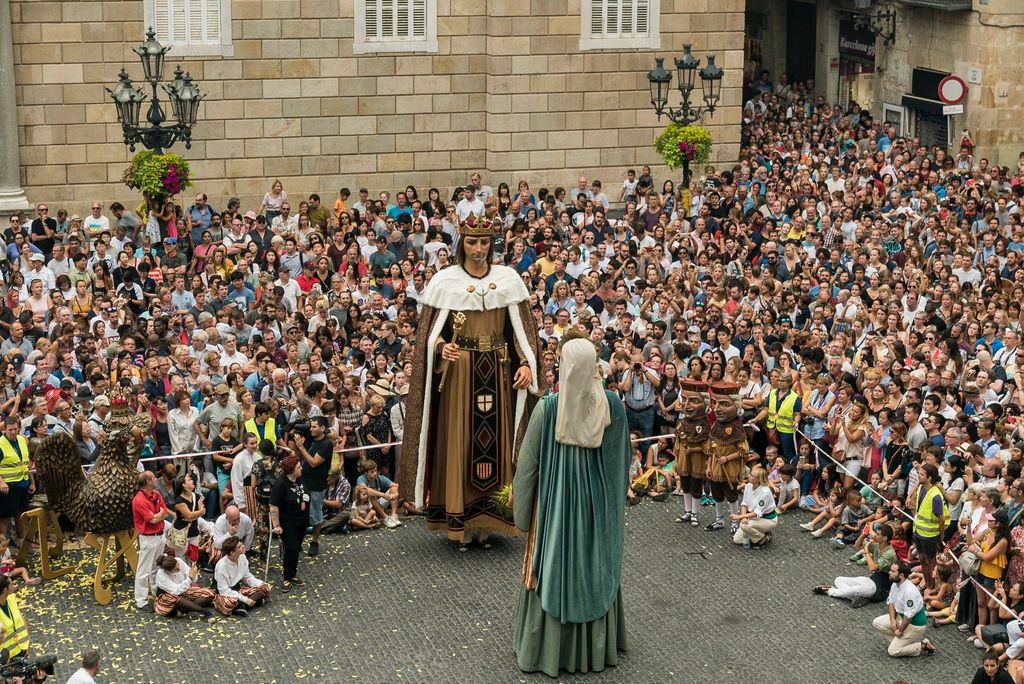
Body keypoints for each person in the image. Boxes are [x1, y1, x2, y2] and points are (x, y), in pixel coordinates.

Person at [400, 212, 541, 547]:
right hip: (460, 376)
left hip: (498, 372)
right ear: (462, 244)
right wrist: (441, 348)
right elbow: (428, 339)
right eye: (472, 242)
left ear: (492, 244)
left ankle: (490, 521)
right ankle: (459, 519)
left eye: (484, 242)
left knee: (497, 444)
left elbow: (521, 333)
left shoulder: (508, 280)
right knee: (459, 444)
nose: (478, 248)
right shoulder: (445, 282)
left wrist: (526, 364)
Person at [511, 333, 630, 677]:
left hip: (555, 513)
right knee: (595, 568)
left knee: (553, 570)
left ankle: (547, 651)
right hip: (599, 512)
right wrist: (612, 504)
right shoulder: (613, 406)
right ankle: (595, 650)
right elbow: (621, 463)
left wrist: (521, 517)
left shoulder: (548, 410)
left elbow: (527, 468)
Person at [813, 525, 898, 608]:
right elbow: (857, 545)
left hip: (879, 587)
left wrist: (866, 552)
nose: (875, 535)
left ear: (884, 538)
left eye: (878, 534)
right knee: (838, 580)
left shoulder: (889, 553)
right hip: (870, 579)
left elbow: (873, 567)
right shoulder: (877, 544)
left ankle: (829, 590)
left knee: (851, 590)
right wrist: (863, 533)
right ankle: (857, 596)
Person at [705, 382, 748, 533]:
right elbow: (710, 449)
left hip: (729, 469)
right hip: (716, 469)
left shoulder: (737, 427)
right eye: (715, 403)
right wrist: (709, 466)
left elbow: (743, 451)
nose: (716, 408)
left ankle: (735, 522)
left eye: (724, 404)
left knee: (731, 495)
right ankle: (719, 520)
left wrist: (727, 458)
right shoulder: (716, 425)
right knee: (717, 495)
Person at [871, 560, 936, 657]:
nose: (889, 572)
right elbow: (891, 602)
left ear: (901, 575)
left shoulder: (909, 592)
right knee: (877, 622)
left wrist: (900, 631)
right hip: (901, 617)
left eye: (893, 571)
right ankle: (904, 641)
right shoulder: (895, 584)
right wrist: (893, 621)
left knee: (893, 651)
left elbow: (908, 616)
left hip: (915, 625)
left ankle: (921, 645)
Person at [132, 470, 173, 612]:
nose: (157, 479)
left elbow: (164, 512)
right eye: (154, 478)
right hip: (148, 539)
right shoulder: (139, 500)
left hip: (159, 536)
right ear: (148, 482)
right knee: (143, 571)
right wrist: (158, 515)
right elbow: (154, 519)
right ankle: (140, 600)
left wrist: (158, 516)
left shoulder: (156, 494)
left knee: (156, 567)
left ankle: (156, 592)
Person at [269, 454, 309, 592]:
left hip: (302, 521)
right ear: (291, 470)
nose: (301, 468)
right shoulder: (281, 484)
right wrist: (277, 525)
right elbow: (274, 506)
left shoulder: (300, 479)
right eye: (298, 467)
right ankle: (287, 577)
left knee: (296, 548)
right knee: (290, 549)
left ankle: (293, 574)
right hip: (288, 523)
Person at [673, 379, 710, 527]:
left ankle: (694, 513)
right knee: (685, 485)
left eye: (693, 401)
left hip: (696, 460)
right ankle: (687, 512)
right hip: (683, 459)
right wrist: (676, 460)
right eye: (684, 400)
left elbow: (708, 447)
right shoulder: (682, 423)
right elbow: (677, 444)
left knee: (695, 485)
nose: (686, 405)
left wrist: (693, 449)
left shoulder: (704, 424)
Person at [293, 416, 331, 557]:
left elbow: (314, 462)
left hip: (316, 484)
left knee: (315, 514)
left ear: (322, 428)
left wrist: (301, 447)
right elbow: (300, 457)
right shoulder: (310, 439)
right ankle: (299, 541)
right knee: (301, 514)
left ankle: (314, 541)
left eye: (314, 427)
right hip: (303, 482)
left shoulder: (326, 444)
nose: (311, 429)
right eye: (311, 426)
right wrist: (298, 445)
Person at [213, 535, 271, 617]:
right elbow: (224, 590)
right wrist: (245, 599)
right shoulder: (222, 566)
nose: (243, 546)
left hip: (237, 588)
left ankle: (242, 606)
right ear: (232, 553)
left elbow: (246, 576)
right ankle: (244, 604)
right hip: (224, 591)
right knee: (230, 602)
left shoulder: (242, 557)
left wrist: (260, 584)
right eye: (239, 547)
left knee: (265, 588)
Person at [912, 463, 948, 592]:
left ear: (929, 478)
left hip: (929, 536)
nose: (919, 476)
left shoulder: (935, 496)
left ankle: (933, 587)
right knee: (921, 559)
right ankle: (927, 585)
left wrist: (941, 534)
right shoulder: (921, 488)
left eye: (921, 474)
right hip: (918, 532)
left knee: (931, 562)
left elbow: (942, 519)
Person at [153, 553, 215, 618]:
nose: (179, 569)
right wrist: (190, 578)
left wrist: (193, 573)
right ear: (168, 571)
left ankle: (184, 609)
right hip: (167, 599)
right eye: (176, 569)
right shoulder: (161, 575)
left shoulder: (178, 560)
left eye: (178, 566)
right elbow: (176, 591)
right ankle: (203, 611)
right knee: (173, 597)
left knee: (209, 594)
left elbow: (194, 579)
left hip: (183, 591)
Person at [731, 465, 777, 549]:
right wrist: (744, 517)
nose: (748, 476)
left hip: (767, 519)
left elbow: (757, 513)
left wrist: (739, 517)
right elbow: (744, 503)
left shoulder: (765, 492)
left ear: (758, 480)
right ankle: (762, 533)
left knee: (744, 526)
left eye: (752, 475)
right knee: (737, 540)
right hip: (752, 517)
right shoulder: (748, 486)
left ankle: (764, 538)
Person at [0, 575, 28, 661]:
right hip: (6, 656)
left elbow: (21, 619)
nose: (14, 586)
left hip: (21, 648)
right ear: (5, 589)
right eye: (11, 585)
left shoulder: (11, 598)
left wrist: (27, 641)